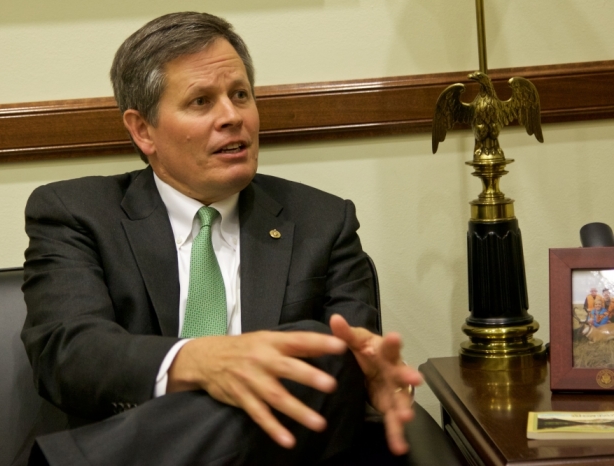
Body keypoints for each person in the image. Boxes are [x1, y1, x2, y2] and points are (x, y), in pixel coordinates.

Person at [21, 12, 421, 465]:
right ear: (142, 130)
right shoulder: (76, 212)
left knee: (322, 351)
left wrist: (370, 374)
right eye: (200, 101)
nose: (232, 117)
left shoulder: (323, 221)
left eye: (240, 95)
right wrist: (197, 360)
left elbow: (349, 359)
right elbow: (68, 352)